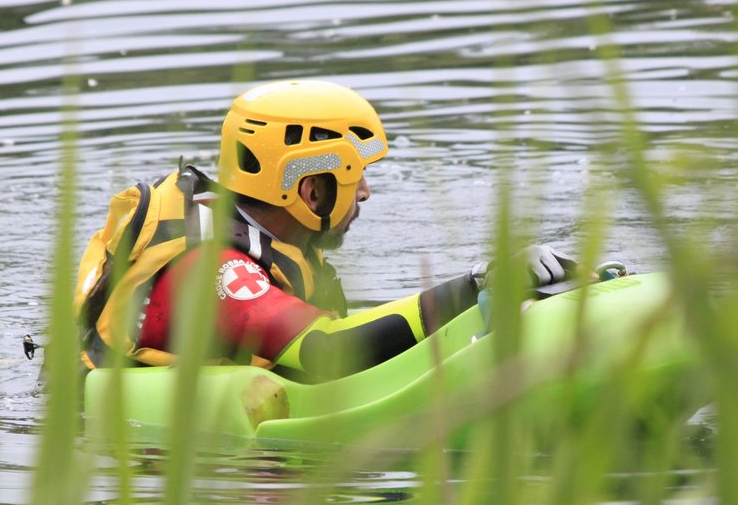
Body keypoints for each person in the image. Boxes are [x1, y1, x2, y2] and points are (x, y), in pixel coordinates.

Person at [73, 79, 575, 381]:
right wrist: (476, 286)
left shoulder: (280, 247)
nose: (365, 193)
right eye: (355, 177)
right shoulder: (213, 270)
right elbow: (330, 351)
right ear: (310, 192)